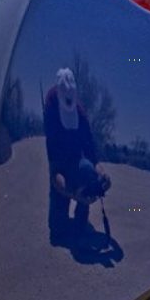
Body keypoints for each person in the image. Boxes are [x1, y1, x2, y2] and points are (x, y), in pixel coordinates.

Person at [43, 68, 110, 245]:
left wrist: (101, 175)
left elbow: (91, 152)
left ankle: (81, 219)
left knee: (88, 169)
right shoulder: (51, 105)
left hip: (76, 159)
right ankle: (62, 218)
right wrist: (71, 193)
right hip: (60, 159)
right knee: (57, 232)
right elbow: (54, 169)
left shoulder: (80, 112)